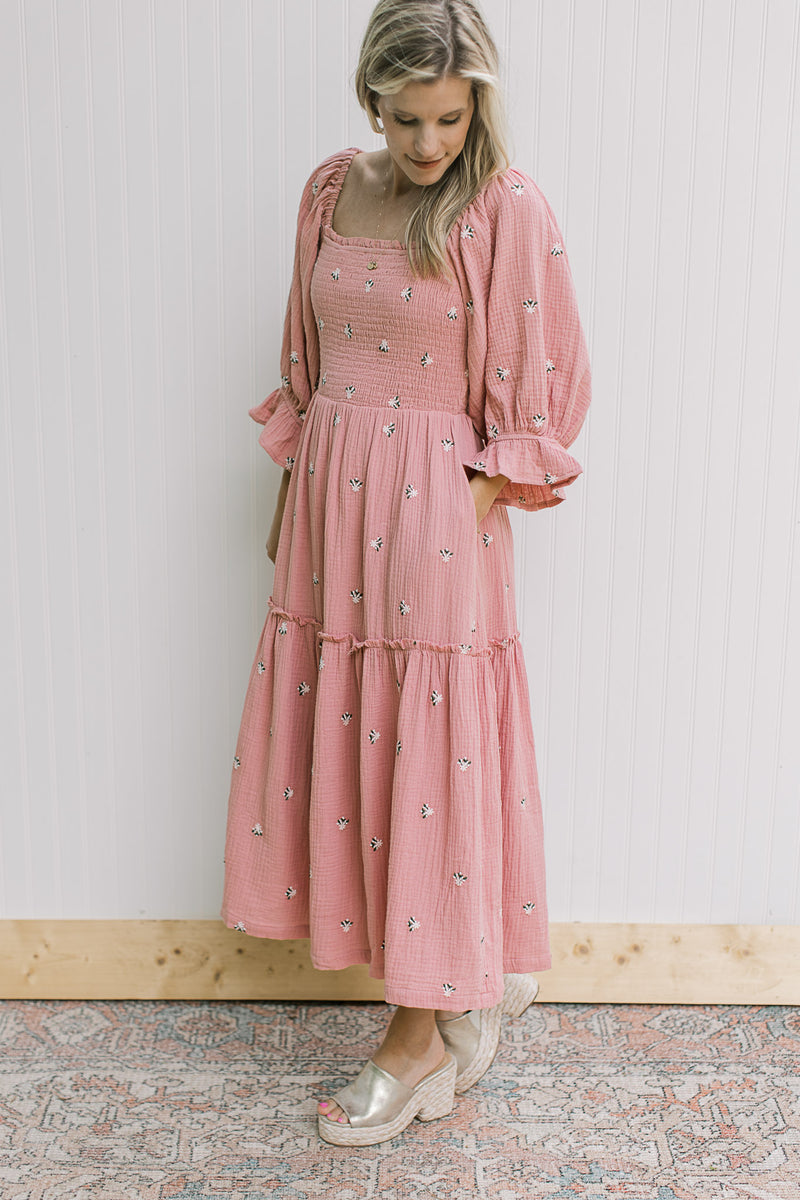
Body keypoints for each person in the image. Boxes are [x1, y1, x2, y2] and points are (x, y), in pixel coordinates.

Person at [220, 0, 591, 1147]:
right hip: (333, 508)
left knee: (426, 752)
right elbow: (308, 353)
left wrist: (463, 501)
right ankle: (460, 974)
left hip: (435, 517)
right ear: (368, 101)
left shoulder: (503, 205)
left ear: (474, 99)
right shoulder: (332, 189)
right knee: (359, 743)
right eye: (405, 117)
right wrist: (296, 507)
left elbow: (544, 389)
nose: (428, 143)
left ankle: (420, 1034)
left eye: (446, 116)